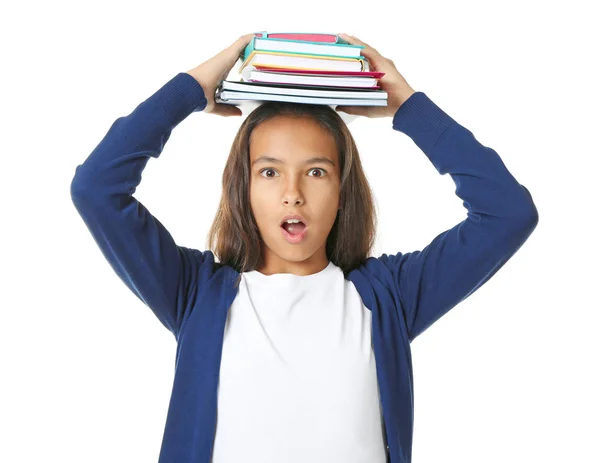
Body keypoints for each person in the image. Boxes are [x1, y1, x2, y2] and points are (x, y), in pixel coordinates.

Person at [70, 33, 538, 463]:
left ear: (342, 191)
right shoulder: (195, 294)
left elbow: (507, 214)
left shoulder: (389, 297)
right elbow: (96, 188)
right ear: (244, 188)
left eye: (316, 172)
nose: (292, 193)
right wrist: (188, 93)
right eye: (269, 172)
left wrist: (408, 109)